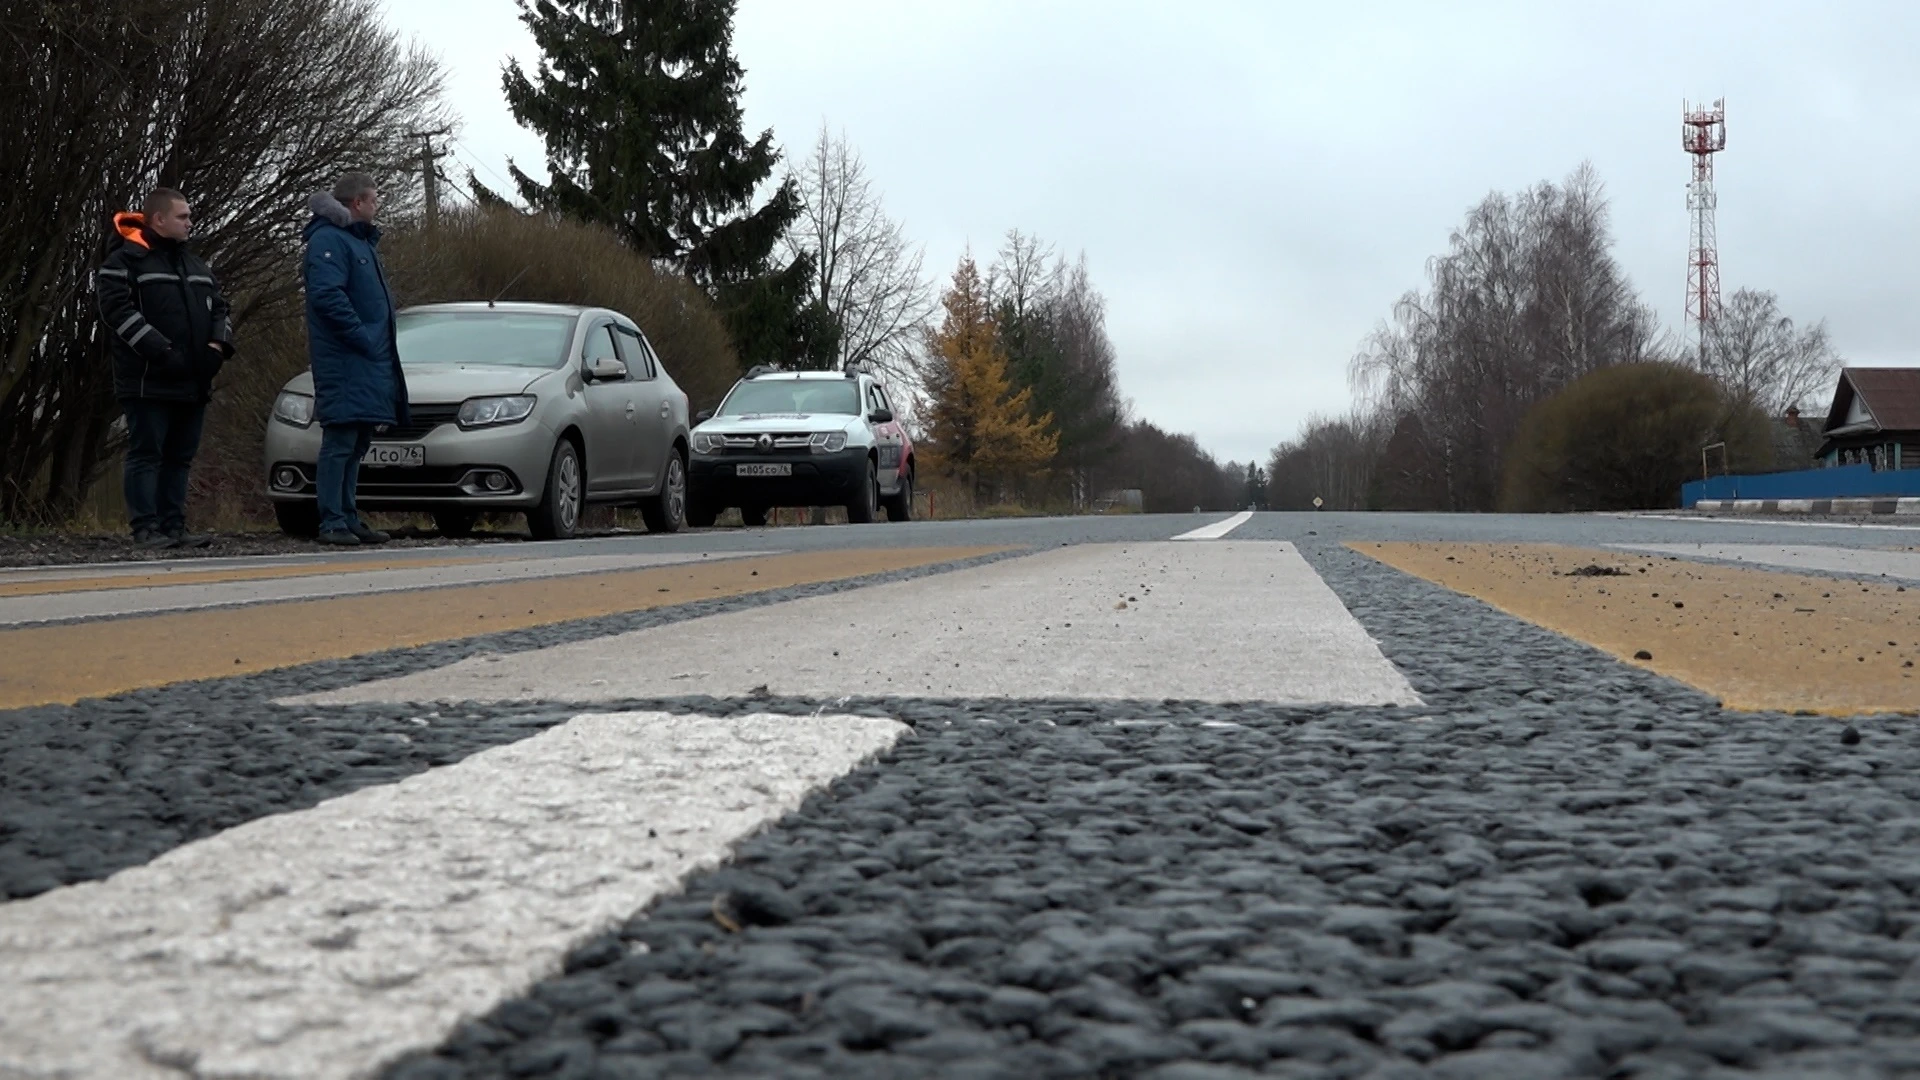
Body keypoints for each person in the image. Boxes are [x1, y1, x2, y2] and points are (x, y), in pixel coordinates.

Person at [95, 188, 234, 548]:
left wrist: (217, 348)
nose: (190, 222)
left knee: (180, 457)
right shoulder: (123, 262)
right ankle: (145, 528)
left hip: (194, 378)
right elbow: (117, 313)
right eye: (182, 216)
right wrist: (161, 351)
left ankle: (174, 526)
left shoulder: (195, 263)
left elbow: (220, 308)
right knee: (147, 453)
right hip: (146, 379)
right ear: (159, 219)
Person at [302, 172, 408, 545]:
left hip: (367, 358)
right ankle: (331, 520)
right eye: (374, 200)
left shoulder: (360, 242)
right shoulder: (329, 240)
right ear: (358, 203)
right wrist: (362, 337)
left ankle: (348, 516)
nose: (377, 207)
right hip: (346, 358)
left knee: (358, 440)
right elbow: (327, 296)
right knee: (341, 438)